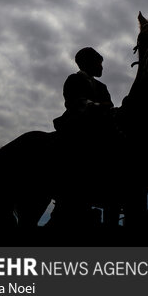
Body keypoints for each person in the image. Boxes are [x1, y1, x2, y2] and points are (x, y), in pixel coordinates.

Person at [50, 47, 116, 226]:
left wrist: (106, 109)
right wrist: (95, 106)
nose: (102, 67)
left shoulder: (102, 86)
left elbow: (109, 104)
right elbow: (73, 101)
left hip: (100, 125)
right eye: (99, 63)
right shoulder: (73, 79)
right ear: (87, 62)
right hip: (78, 124)